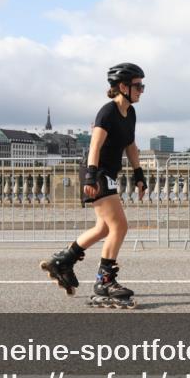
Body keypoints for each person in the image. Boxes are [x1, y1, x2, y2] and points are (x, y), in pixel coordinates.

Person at [40, 62, 147, 308]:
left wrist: (139, 174)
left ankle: (63, 261)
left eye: (143, 85)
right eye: (138, 86)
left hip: (109, 173)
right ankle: (105, 281)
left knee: (103, 228)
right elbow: (95, 146)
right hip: (97, 171)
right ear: (122, 87)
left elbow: (130, 145)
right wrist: (90, 176)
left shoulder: (130, 113)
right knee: (119, 226)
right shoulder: (107, 112)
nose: (141, 90)